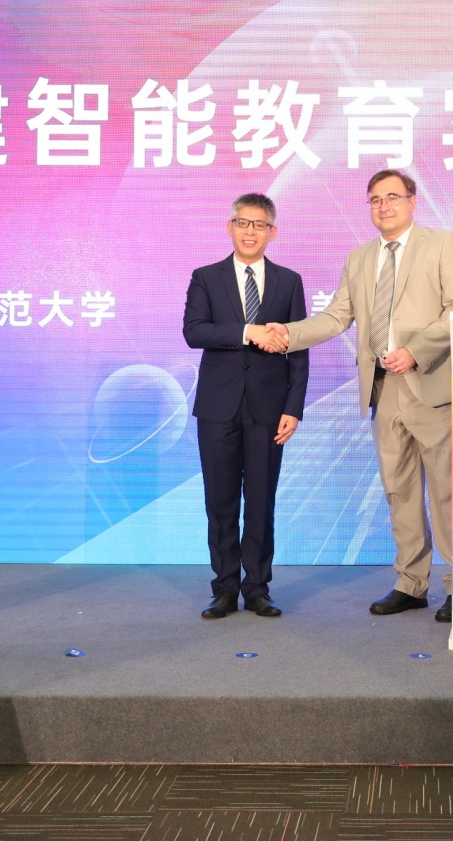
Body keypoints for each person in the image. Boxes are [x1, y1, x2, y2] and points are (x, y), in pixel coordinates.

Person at [264, 170, 453, 622]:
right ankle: (411, 583)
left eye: (393, 197)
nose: (384, 206)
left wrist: (415, 351)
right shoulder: (360, 258)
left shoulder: (442, 244)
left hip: (430, 384)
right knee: (399, 490)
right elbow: (336, 316)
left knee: (447, 492)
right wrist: (289, 334)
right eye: (375, 199)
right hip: (382, 387)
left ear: (413, 201)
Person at [182, 193, 309, 619]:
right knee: (220, 503)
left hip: (269, 410)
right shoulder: (206, 277)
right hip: (217, 408)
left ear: (273, 232)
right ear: (230, 227)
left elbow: (299, 350)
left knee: (260, 502)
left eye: (259, 224)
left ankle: (257, 588)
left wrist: (294, 407)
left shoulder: (289, 281)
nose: (250, 231)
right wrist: (247, 332)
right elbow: (194, 331)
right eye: (243, 222)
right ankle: (224, 589)